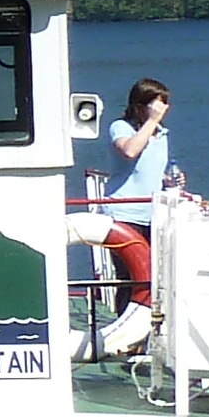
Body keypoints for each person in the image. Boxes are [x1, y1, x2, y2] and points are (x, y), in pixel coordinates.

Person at [74, 76, 171, 357]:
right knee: (130, 278)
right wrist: (151, 123)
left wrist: (169, 178)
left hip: (152, 215)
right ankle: (126, 341)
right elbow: (129, 151)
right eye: (157, 104)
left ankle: (146, 337)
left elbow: (152, 168)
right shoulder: (121, 127)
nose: (162, 110)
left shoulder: (162, 134)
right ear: (141, 104)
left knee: (152, 279)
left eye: (165, 105)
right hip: (123, 212)